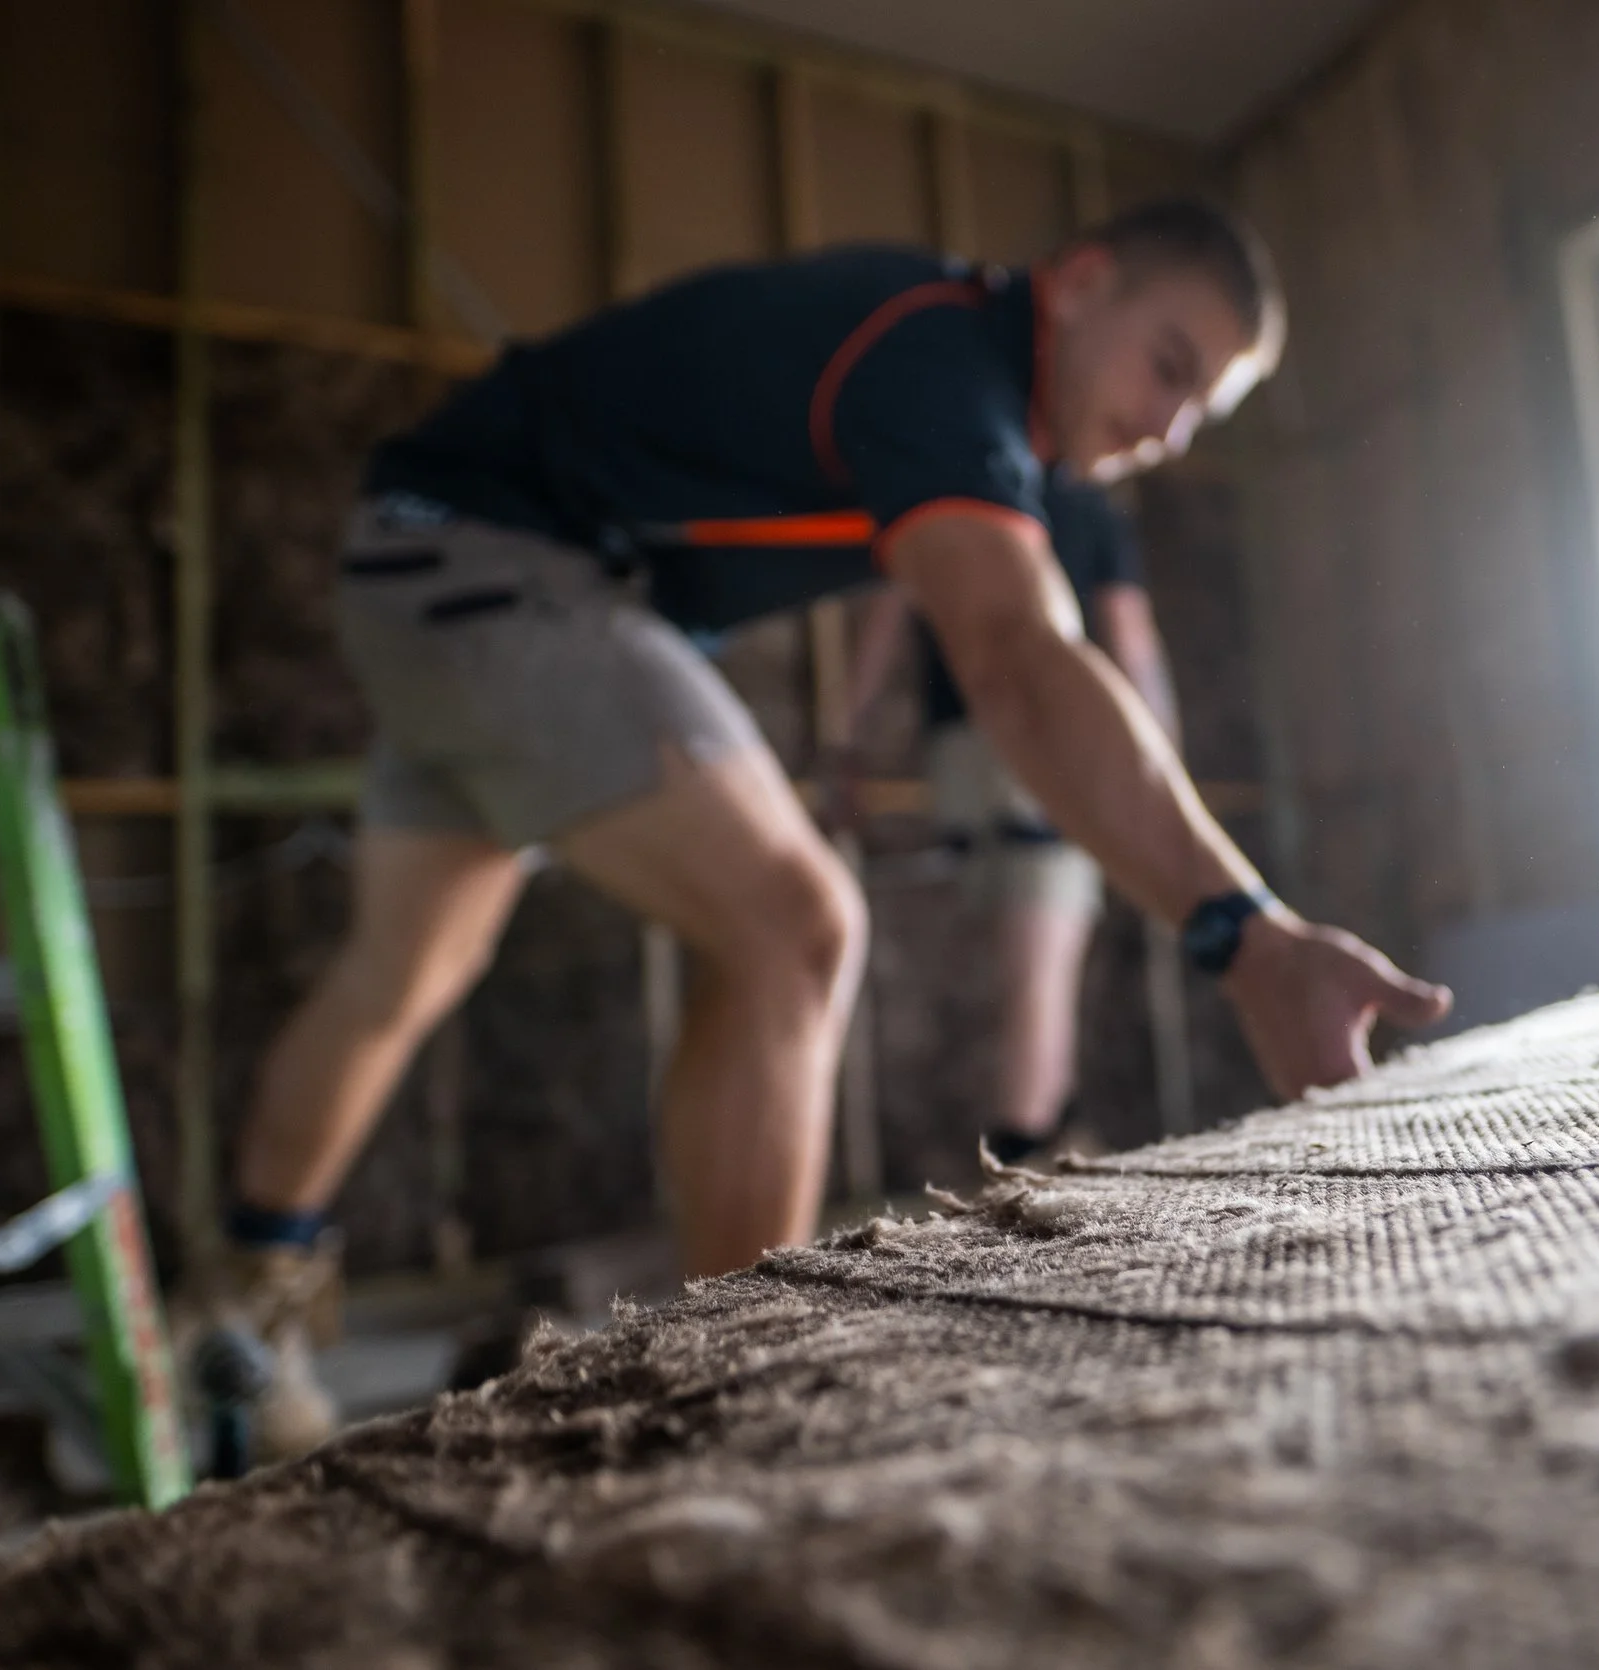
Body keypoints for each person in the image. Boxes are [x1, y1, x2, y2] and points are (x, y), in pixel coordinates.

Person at [209, 198, 1453, 1460]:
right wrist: (1252, 937)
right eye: (1168, 366)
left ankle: (241, 1310)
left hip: (419, 568)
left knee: (396, 975)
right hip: (500, 572)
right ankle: (723, 1403)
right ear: (1079, 282)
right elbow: (1018, 656)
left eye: (1202, 414)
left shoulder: (955, 383)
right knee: (797, 925)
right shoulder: (946, 357)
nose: (1167, 427)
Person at [836, 472, 1174, 1165]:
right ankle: (1026, 1150)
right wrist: (1164, 781)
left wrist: (847, 737)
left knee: (1023, 958)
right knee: (1041, 964)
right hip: (1045, 746)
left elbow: (890, 612)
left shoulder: (960, 484)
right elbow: (1131, 643)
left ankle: (1044, 1130)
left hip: (957, 751)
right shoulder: (1089, 505)